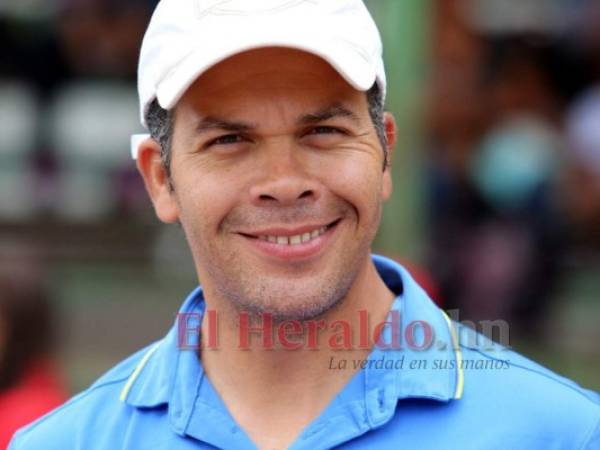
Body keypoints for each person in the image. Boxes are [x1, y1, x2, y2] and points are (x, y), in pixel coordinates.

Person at [10, 1, 600, 448]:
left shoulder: (563, 434)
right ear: (159, 178)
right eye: (230, 140)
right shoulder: (67, 442)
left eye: (323, 132)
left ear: (385, 153)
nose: (285, 180)